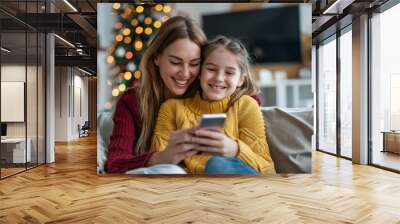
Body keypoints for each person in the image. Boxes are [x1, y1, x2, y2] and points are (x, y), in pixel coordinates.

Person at [151, 36, 276, 175]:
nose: (218, 78)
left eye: (229, 72)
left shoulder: (245, 106)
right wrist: (172, 152)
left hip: (241, 187)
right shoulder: (172, 108)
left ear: (241, 80)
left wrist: (235, 150)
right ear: (199, 73)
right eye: (211, 69)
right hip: (195, 189)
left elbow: (268, 171)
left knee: (216, 163)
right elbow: (158, 169)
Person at [105, 16, 207, 173]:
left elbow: (249, 99)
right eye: (175, 62)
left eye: (194, 64)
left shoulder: (208, 93)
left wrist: (234, 147)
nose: (185, 74)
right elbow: (114, 164)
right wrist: (161, 158)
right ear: (156, 57)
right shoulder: (132, 102)